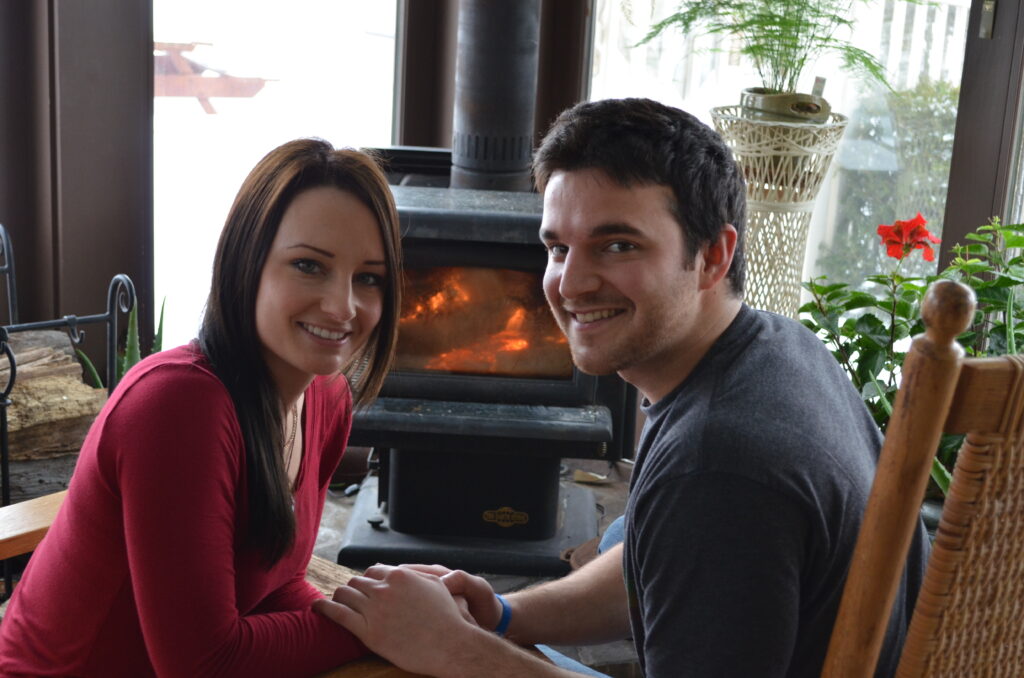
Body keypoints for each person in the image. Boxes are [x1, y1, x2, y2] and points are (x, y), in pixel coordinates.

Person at [313, 98, 929, 678]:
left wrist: (458, 650)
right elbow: (645, 558)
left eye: (617, 245)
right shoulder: (777, 346)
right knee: (621, 535)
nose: (570, 283)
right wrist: (502, 616)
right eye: (557, 247)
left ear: (713, 256)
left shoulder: (716, 467)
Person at [0, 138, 403, 677]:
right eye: (309, 265)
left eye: (368, 278)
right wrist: (378, 625)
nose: (342, 305)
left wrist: (396, 616)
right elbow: (204, 663)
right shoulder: (177, 408)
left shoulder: (326, 399)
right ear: (247, 264)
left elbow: (277, 584)